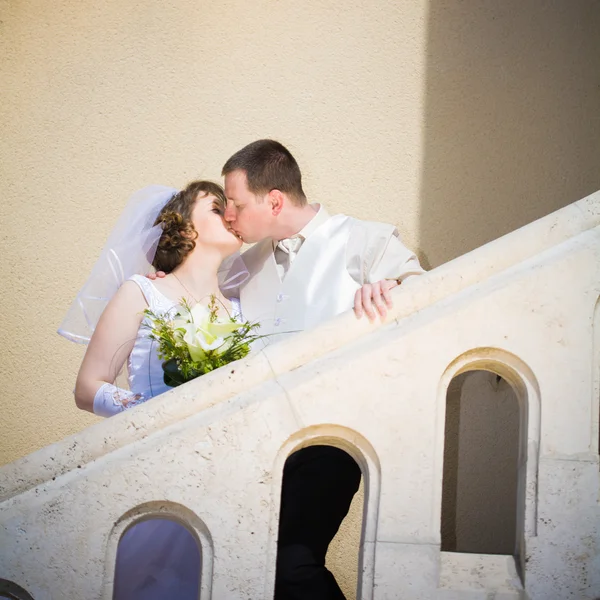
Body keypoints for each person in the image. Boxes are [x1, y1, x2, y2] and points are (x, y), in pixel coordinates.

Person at [219, 139, 425, 599]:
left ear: (274, 200)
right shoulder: (239, 266)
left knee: (289, 562)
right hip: (256, 448)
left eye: (235, 203)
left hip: (330, 438)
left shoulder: (365, 239)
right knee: (249, 571)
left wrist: (396, 285)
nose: (227, 215)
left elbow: (426, 294)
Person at [59, 180, 246, 599]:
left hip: (220, 486)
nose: (231, 216)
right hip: (152, 470)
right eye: (217, 209)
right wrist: (154, 413)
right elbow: (87, 388)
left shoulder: (241, 311)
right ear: (185, 229)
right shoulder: (142, 292)